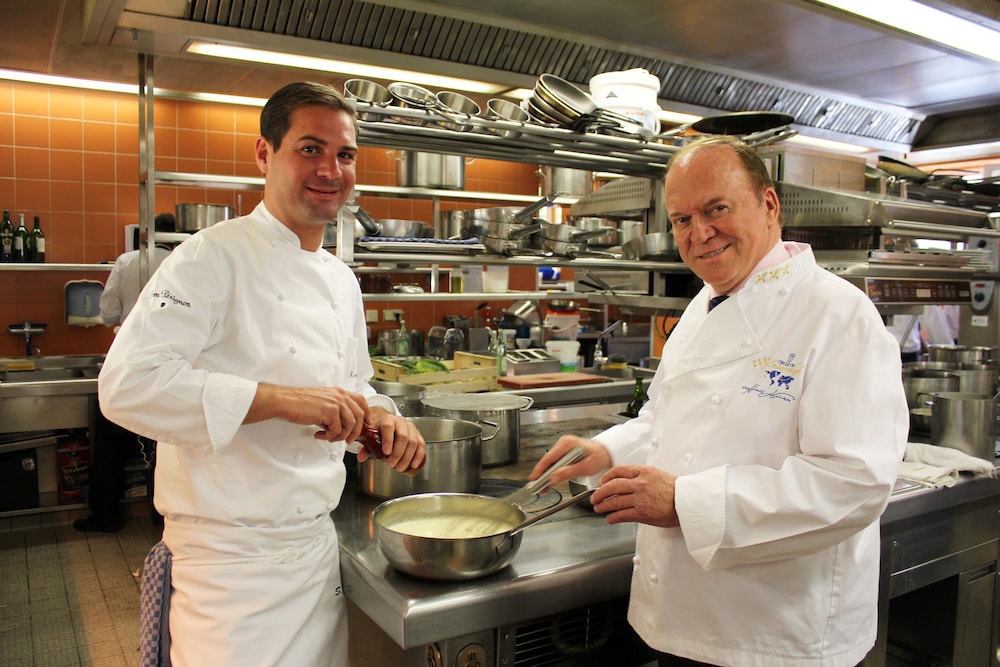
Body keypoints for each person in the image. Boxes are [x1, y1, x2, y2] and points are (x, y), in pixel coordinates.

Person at [532, 135, 908, 667]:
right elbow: (667, 418)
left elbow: (854, 482)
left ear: (769, 205)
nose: (699, 233)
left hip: (776, 635)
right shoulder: (706, 303)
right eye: (682, 219)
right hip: (686, 618)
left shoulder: (838, 314)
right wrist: (610, 452)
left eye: (717, 209)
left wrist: (687, 503)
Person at [98, 81, 425, 667]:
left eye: (345, 155)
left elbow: (352, 384)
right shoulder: (210, 256)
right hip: (231, 570)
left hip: (314, 551)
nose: (331, 169)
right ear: (264, 154)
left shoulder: (340, 280)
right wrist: (279, 400)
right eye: (309, 149)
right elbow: (127, 386)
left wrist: (379, 418)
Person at [73, 212, 179, 533]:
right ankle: (164, 521)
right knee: (165, 448)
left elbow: (107, 314)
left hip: (128, 364)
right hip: (169, 368)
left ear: (145, 232)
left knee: (109, 445)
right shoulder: (184, 263)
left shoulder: (126, 261)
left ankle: (106, 516)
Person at [99, 212, 178, 327]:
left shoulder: (125, 260)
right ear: (176, 236)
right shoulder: (177, 262)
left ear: (150, 232)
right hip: (167, 334)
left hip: (130, 334)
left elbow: (109, 312)